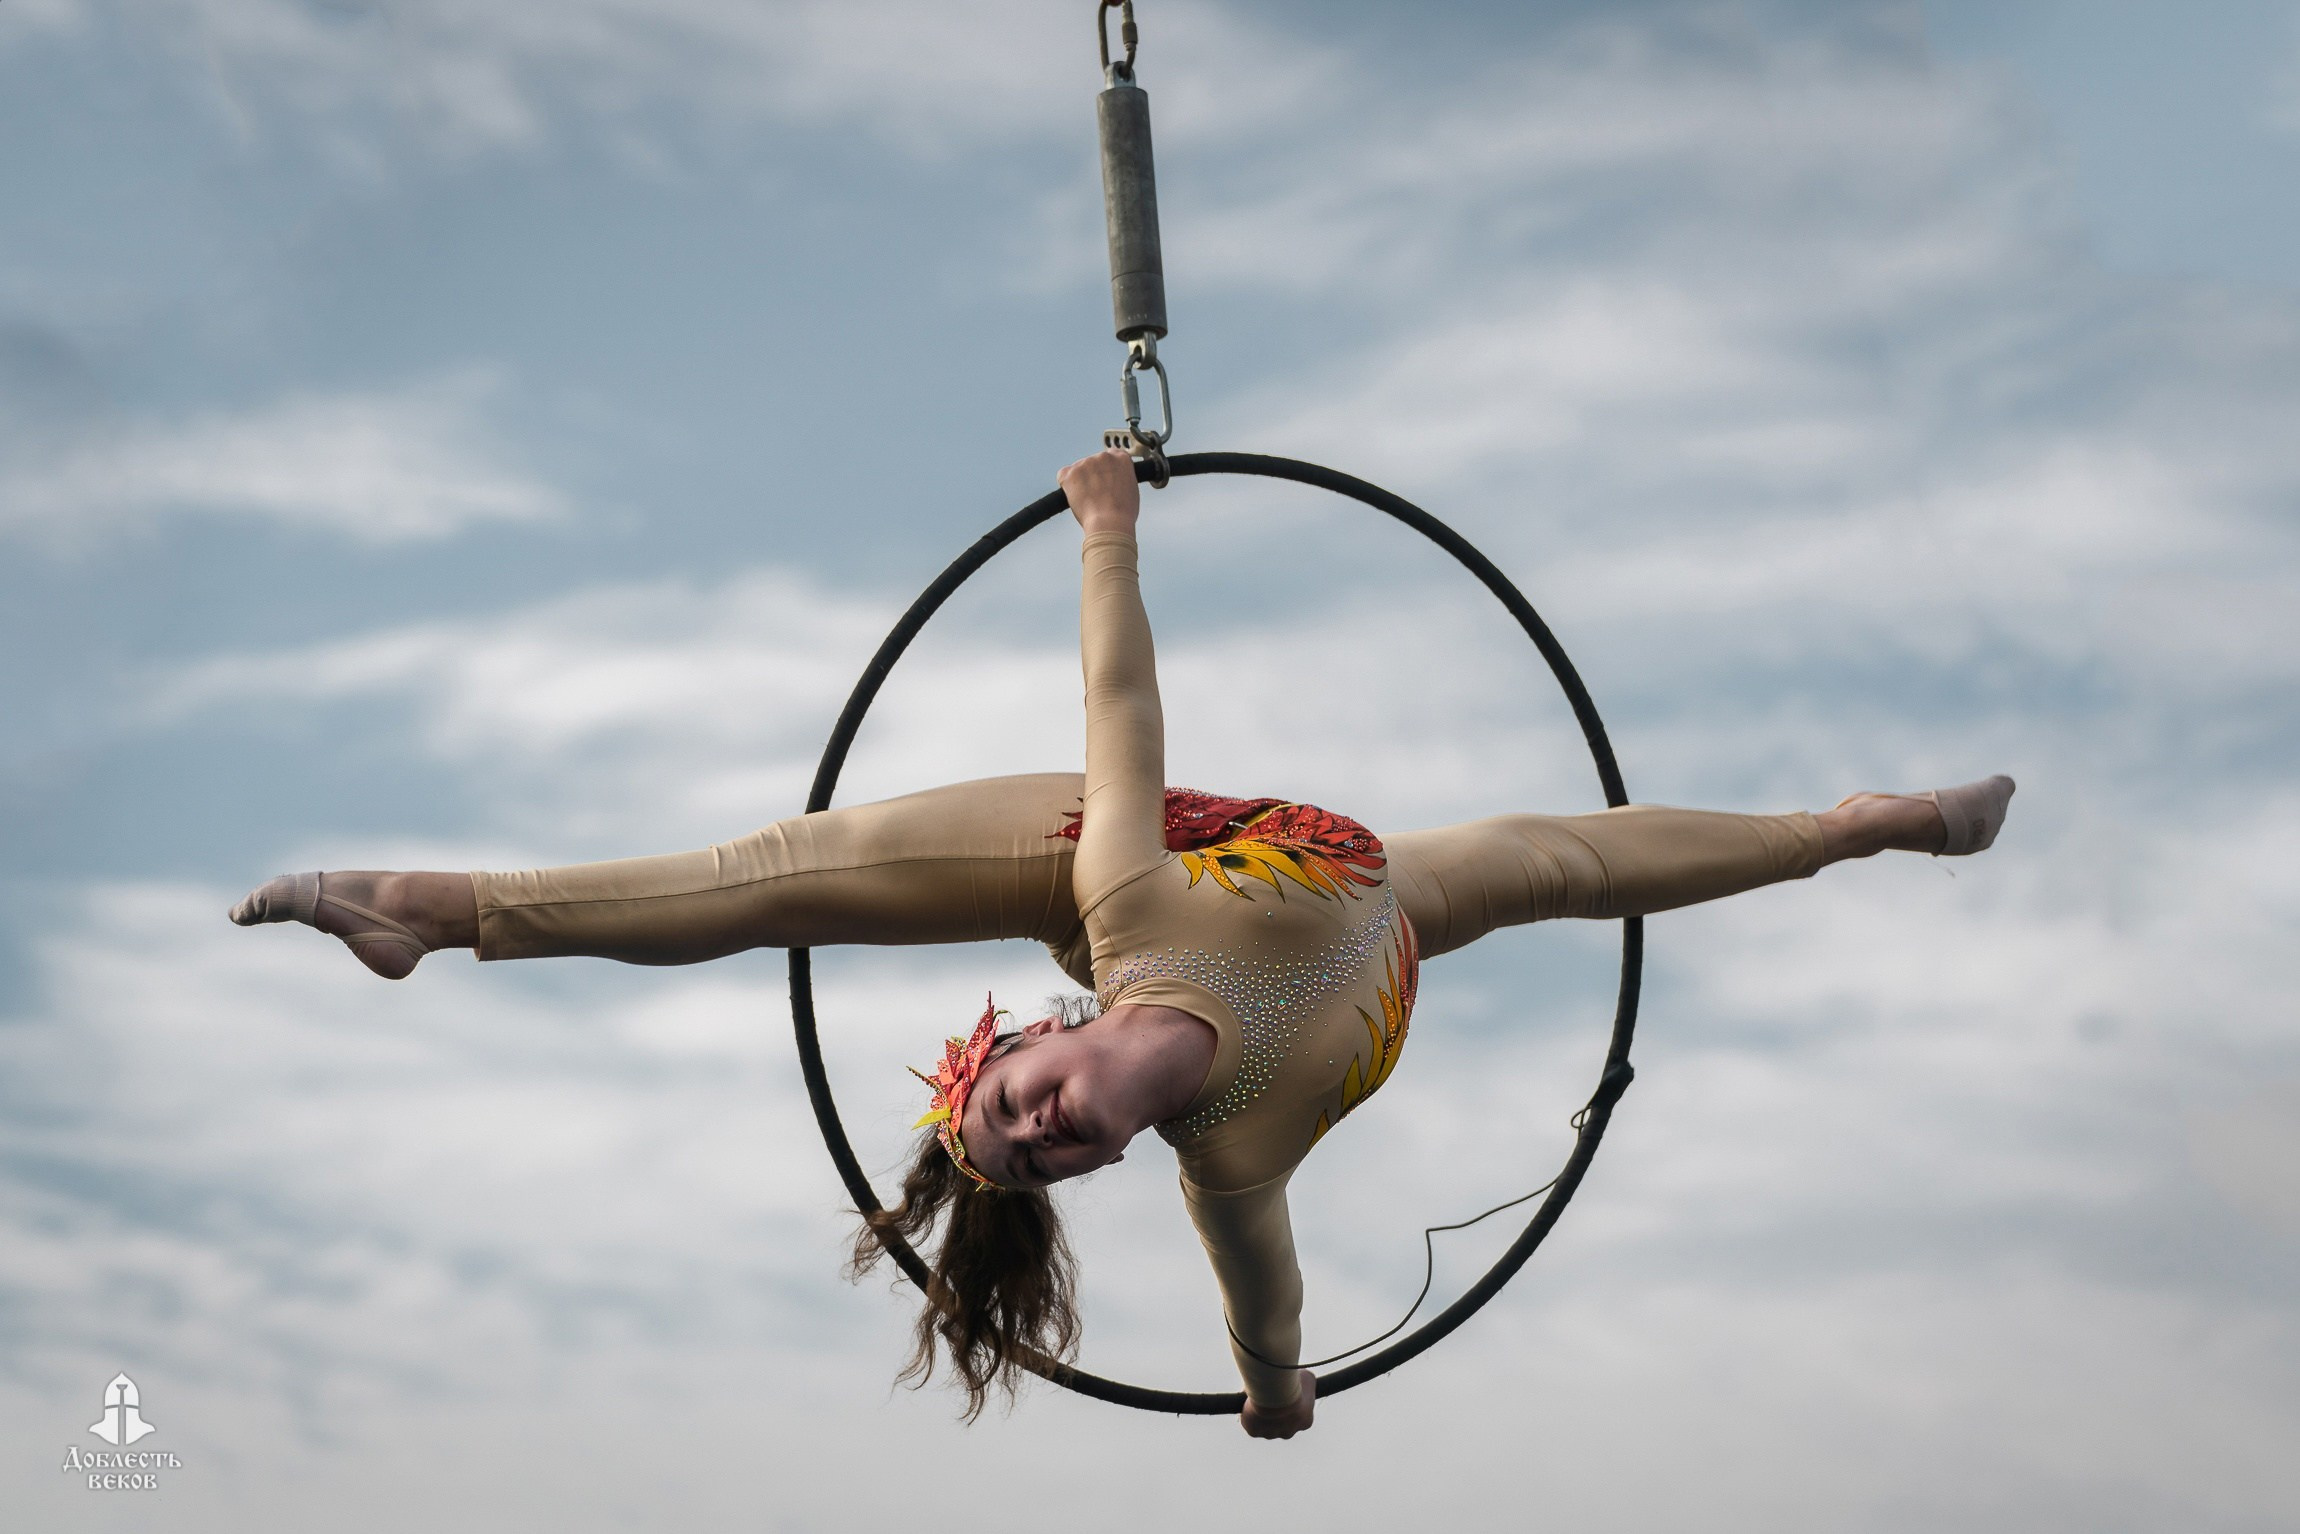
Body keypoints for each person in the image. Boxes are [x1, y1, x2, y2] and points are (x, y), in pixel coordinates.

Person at [231, 449, 2015, 1438]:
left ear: (1025, 1044)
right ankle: (426, 915)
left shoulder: (1128, 913)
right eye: (1032, 1141)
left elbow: (1120, 706)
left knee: (794, 870)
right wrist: (1273, 1385)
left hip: (1092, 836)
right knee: (1555, 864)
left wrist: (1104, 529)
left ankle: (1854, 821)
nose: (1033, 1130)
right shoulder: (1237, 1154)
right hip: (1373, 904)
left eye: (1006, 1108)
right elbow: (1271, 1308)